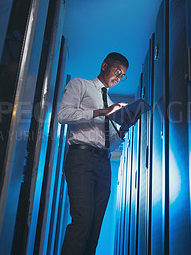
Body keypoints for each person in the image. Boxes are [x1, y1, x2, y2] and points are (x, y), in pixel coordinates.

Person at [58, 52, 132, 254]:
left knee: (95, 227)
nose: (119, 78)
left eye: (123, 75)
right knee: (82, 220)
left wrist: (124, 128)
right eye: (117, 72)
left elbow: (110, 144)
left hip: (103, 163)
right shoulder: (80, 85)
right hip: (80, 158)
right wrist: (103, 112)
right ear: (104, 65)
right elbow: (63, 115)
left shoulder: (110, 101)